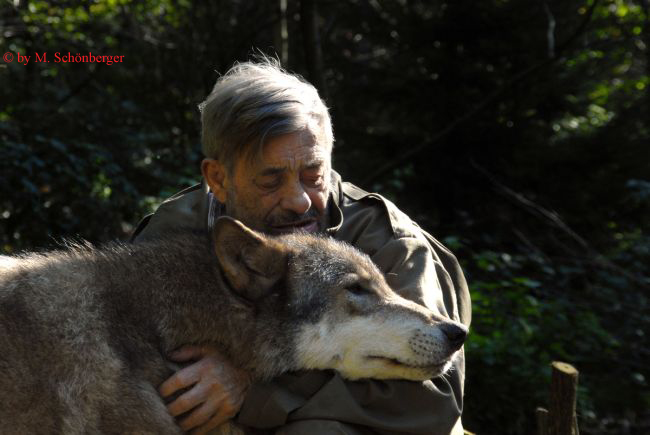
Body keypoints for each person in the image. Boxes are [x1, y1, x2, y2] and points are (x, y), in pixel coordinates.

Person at [131, 58, 471, 435]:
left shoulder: (388, 242)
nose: (300, 200)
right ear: (218, 178)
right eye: (270, 181)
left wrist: (254, 389)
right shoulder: (171, 235)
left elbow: (434, 397)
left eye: (314, 175)